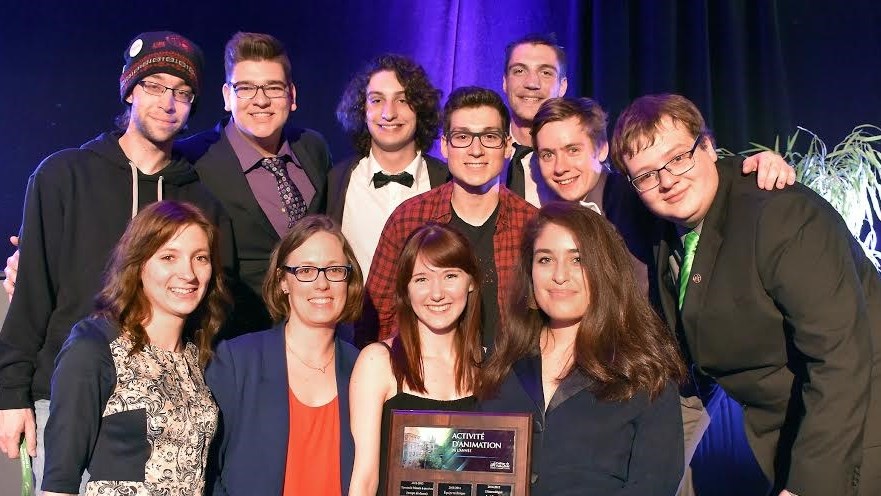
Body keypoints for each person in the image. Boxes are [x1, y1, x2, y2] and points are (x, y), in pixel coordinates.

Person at [610, 93, 881, 496]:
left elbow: (840, 359)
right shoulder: (667, 231)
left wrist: (808, 487)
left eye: (679, 157)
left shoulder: (780, 216)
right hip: (784, 437)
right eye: (647, 175)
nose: (667, 180)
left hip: (855, 434)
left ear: (708, 147)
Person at [530, 95, 798, 495]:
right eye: (547, 154)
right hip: (595, 381)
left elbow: (697, 178)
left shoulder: (638, 193)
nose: (560, 166)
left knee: (663, 480)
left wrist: (755, 167)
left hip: (667, 376)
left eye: (573, 150)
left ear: (600, 149)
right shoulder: (543, 216)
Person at [0, 31, 231, 491]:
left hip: (159, 414)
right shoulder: (64, 176)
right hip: (63, 397)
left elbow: (210, 313)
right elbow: (31, 294)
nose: (168, 102)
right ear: (129, 91)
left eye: (182, 92)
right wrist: (10, 394)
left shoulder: (201, 203)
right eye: (154, 86)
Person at [479, 201, 686, 496]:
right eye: (545, 259)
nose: (559, 275)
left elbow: (653, 485)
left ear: (604, 269)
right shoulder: (502, 364)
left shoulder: (644, 372)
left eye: (577, 260)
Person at [40, 200, 230, 495]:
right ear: (139, 263)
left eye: (200, 258)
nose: (188, 273)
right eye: (168, 257)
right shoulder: (95, 346)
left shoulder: (198, 357)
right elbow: (59, 480)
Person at [177, 32, 333, 334]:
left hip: (316, 332)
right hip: (234, 341)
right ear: (227, 96)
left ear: (292, 95)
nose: (261, 100)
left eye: (273, 88)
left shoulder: (312, 147)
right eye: (246, 88)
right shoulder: (194, 159)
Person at [358, 86, 537, 348]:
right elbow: (376, 319)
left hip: (510, 370)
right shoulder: (409, 220)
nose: (476, 150)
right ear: (444, 145)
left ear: (507, 146)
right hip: (425, 370)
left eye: (489, 137)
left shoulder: (532, 225)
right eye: (462, 137)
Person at [205, 215, 363, 495]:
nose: (322, 283)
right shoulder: (237, 361)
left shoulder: (363, 369)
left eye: (335, 270)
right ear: (283, 281)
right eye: (305, 270)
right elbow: (204, 468)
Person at [349, 222, 482, 496]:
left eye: (450, 276)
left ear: (471, 282)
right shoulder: (378, 362)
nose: (437, 293)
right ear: (406, 290)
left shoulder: (489, 367)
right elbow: (364, 480)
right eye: (422, 279)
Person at [329, 54, 448, 281]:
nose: (389, 113)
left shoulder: (447, 180)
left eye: (402, 100)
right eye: (376, 100)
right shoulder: (337, 181)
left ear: (419, 108)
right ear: (362, 110)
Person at [500, 34, 568, 206]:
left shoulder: (577, 164)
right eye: (519, 71)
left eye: (545, 73)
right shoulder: (480, 153)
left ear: (562, 86)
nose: (531, 83)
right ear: (505, 82)